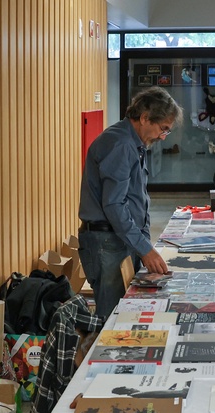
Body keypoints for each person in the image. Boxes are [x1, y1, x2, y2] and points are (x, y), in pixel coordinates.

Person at [78, 87, 182, 317]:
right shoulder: (121, 144)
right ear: (145, 117)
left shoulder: (133, 142)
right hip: (106, 241)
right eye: (162, 129)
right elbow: (114, 205)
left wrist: (144, 244)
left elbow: (136, 199)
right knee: (113, 318)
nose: (162, 137)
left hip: (120, 237)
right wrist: (145, 249)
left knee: (128, 310)